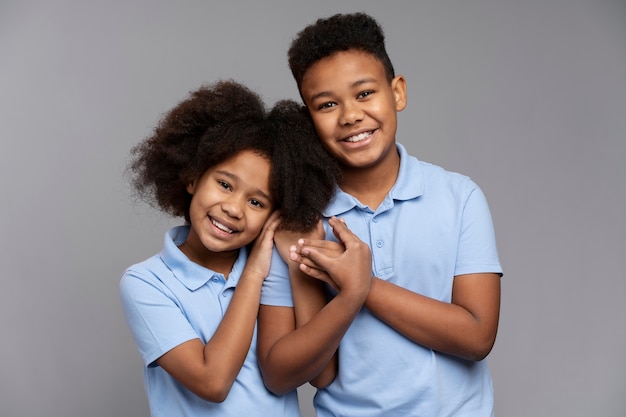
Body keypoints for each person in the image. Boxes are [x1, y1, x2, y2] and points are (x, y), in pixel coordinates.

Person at [257, 12, 503, 417]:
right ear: (309, 121)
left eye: (365, 93)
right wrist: (306, 267)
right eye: (327, 104)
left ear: (398, 93)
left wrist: (361, 285)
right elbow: (301, 374)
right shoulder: (300, 220)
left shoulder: (459, 197)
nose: (350, 115)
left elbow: (477, 337)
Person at [119, 80, 340, 417]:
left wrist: (297, 260)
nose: (234, 209)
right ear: (192, 178)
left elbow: (320, 372)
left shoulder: (275, 266)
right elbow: (213, 382)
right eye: (224, 184)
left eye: (256, 201)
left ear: (275, 213)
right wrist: (252, 276)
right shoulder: (146, 283)